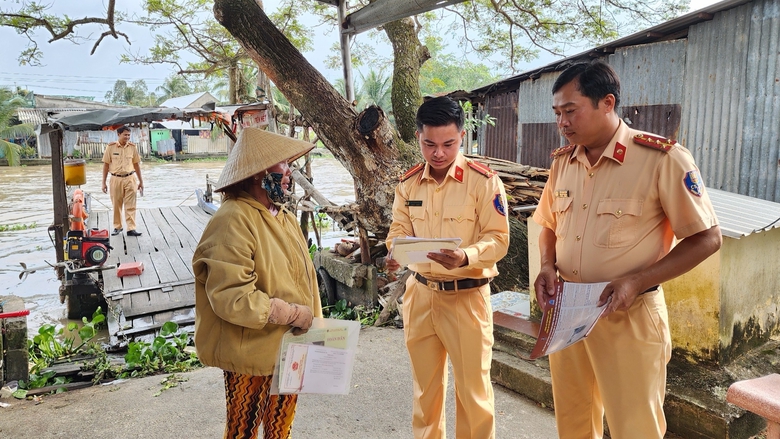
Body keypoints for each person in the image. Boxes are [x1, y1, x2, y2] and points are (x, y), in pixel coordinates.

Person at [533, 61, 722, 439]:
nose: (563, 122)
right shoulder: (563, 163)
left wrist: (637, 280)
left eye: (571, 111)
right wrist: (546, 265)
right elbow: (549, 223)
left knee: (635, 428)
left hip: (629, 315)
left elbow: (707, 238)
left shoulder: (661, 159)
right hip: (569, 312)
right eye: (557, 113)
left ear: (607, 102)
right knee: (573, 421)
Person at [385, 96, 510, 439]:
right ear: (418, 137)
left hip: (466, 298)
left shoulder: (484, 182)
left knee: (473, 394)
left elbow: (499, 239)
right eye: (429, 144)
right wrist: (394, 249)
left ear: (462, 138)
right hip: (421, 295)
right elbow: (398, 229)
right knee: (425, 393)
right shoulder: (408, 184)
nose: (438, 153)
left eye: (448, 144)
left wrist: (466, 256)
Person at [191, 127, 322, 439]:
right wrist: (291, 313)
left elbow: (300, 277)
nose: (290, 173)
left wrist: (314, 326)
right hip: (250, 355)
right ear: (257, 173)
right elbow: (232, 297)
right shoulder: (232, 218)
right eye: (283, 165)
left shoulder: (283, 216)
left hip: (290, 348)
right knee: (243, 432)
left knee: (280, 429)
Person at [101, 125, 144, 236]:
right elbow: (106, 166)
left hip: (130, 178)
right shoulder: (110, 147)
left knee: (131, 205)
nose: (127, 137)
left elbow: (136, 165)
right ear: (118, 134)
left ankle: (131, 228)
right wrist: (103, 183)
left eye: (129, 135)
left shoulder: (132, 147)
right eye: (125, 135)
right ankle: (117, 227)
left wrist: (141, 182)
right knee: (116, 204)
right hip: (116, 179)